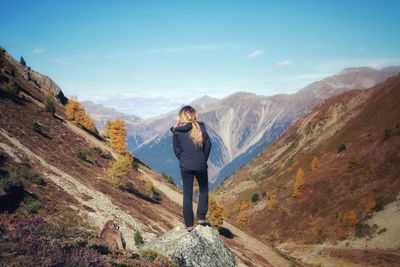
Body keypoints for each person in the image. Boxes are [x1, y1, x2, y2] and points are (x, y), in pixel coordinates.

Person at [170, 105, 212, 232]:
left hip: (185, 166)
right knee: (203, 190)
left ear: (181, 116)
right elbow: (208, 146)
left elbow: (177, 150)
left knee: (187, 194)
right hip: (200, 164)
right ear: (193, 115)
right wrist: (203, 159)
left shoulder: (177, 132)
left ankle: (188, 224)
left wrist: (183, 161)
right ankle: (201, 216)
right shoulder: (201, 128)